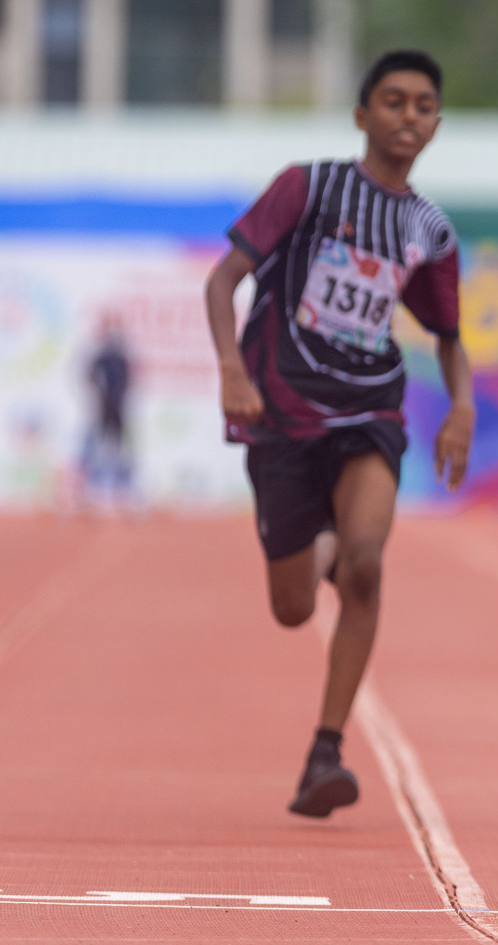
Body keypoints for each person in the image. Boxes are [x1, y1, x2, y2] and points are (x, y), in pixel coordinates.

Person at [203, 49, 474, 818]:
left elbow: (449, 333)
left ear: (437, 124)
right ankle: (314, 547)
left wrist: (463, 405)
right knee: (292, 608)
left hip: (370, 410)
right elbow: (223, 280)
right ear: (363, 115)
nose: (408, 117)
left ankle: (327, 753)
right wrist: (231, 370)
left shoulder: (430, 230)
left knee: (366, 567)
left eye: (424, 105)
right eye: (393, 102)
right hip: (281, 412)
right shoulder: (307, 186)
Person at [81, 313, 134, 510]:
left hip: (118, 408)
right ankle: (95, 489)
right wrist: (100, 393)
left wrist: (118, 395)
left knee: (121, 448)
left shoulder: (120, 358)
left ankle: (122, 489)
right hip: (102, 408)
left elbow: (127, 380)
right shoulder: (101, 357)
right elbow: (90, 376)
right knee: (98, 447)